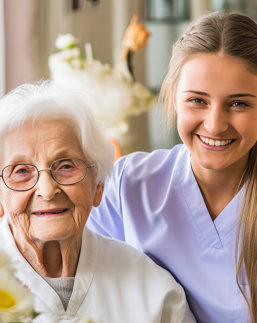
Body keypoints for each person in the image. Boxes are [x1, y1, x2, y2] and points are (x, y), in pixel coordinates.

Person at [87, 11, 257, 323]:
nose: (215, 125)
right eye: (197, 101)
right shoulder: (129, 184)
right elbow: (82, 286)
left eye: (238, 104)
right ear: (174, 98)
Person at [0, 82, 196, 323]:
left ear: (98, 186)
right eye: (21, 171)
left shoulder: (154, 290)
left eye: (66, 166)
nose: (47, 190)